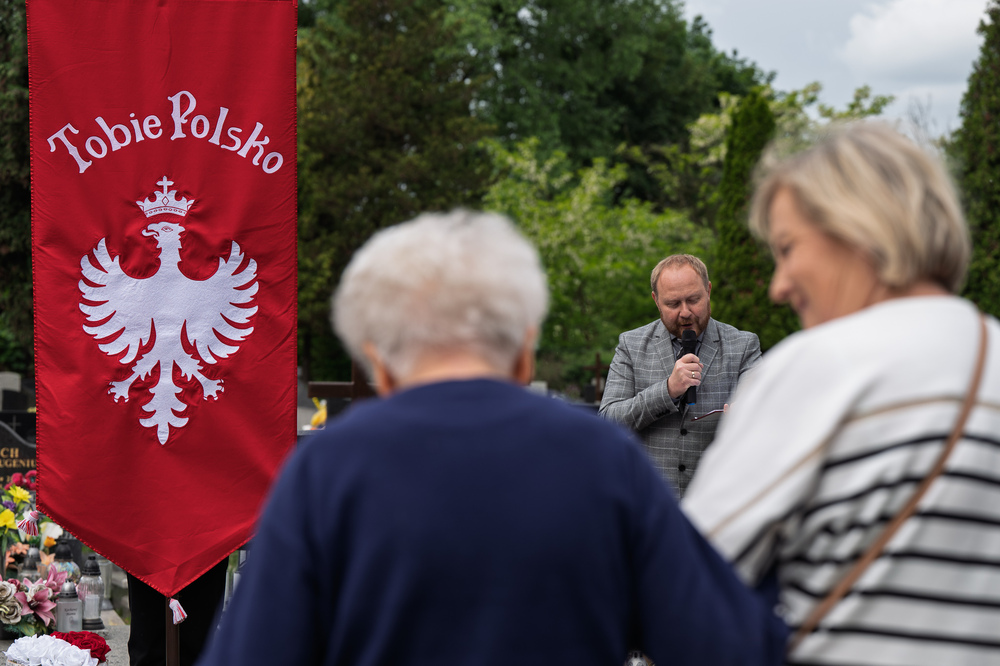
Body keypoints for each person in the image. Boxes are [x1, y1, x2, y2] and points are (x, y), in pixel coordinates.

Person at [196, 210, 786, 666]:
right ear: (525, 347)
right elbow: (725, 642)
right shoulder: (602, 460)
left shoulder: (324, 473)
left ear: (377, 360)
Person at [683, 122, 1000, 665]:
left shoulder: (818, 369)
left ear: (856, 229)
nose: (778, 286)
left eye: (787, 249)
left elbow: (690, 580)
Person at [599, 254, 761, 495]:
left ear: (708, 291)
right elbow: (608, 421)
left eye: (693, 300)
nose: (685, 312)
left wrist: (748, 412)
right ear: (656, 301)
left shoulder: (744, 346)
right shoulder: (631, 345)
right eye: (673, 304)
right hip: (649, 499)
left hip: (717, 498)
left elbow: (766, 414)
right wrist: (667, 390)